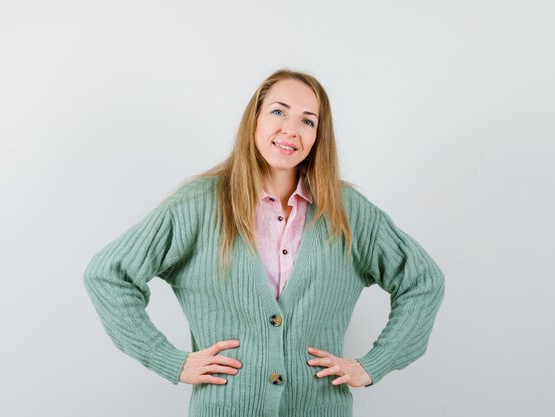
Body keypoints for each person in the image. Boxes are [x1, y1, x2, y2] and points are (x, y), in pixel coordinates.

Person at [82, 68, 445, 417]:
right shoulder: (198, 205)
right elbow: (107, 276)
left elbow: (422, 281)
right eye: (278, 112)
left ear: (319, 136)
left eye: (307, 120)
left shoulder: (348, 212)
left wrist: (373, 365)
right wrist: (171, 361)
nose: (291, 130)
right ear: (254, 120)